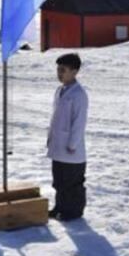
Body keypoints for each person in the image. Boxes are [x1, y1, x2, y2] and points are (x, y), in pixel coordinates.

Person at [47, 53, 89, 221]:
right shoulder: (60, 90)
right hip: (58, 145)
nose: (59, 73)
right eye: (58, 69)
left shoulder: (79, 94)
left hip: (72, 149)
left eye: (63, 70)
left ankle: (73, 211)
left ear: (74, 71)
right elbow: (55, 117)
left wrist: (72, 144)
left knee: (72, 183)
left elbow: (79, 122)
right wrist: (50, 137)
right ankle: (60, 206)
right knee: (59, 181)